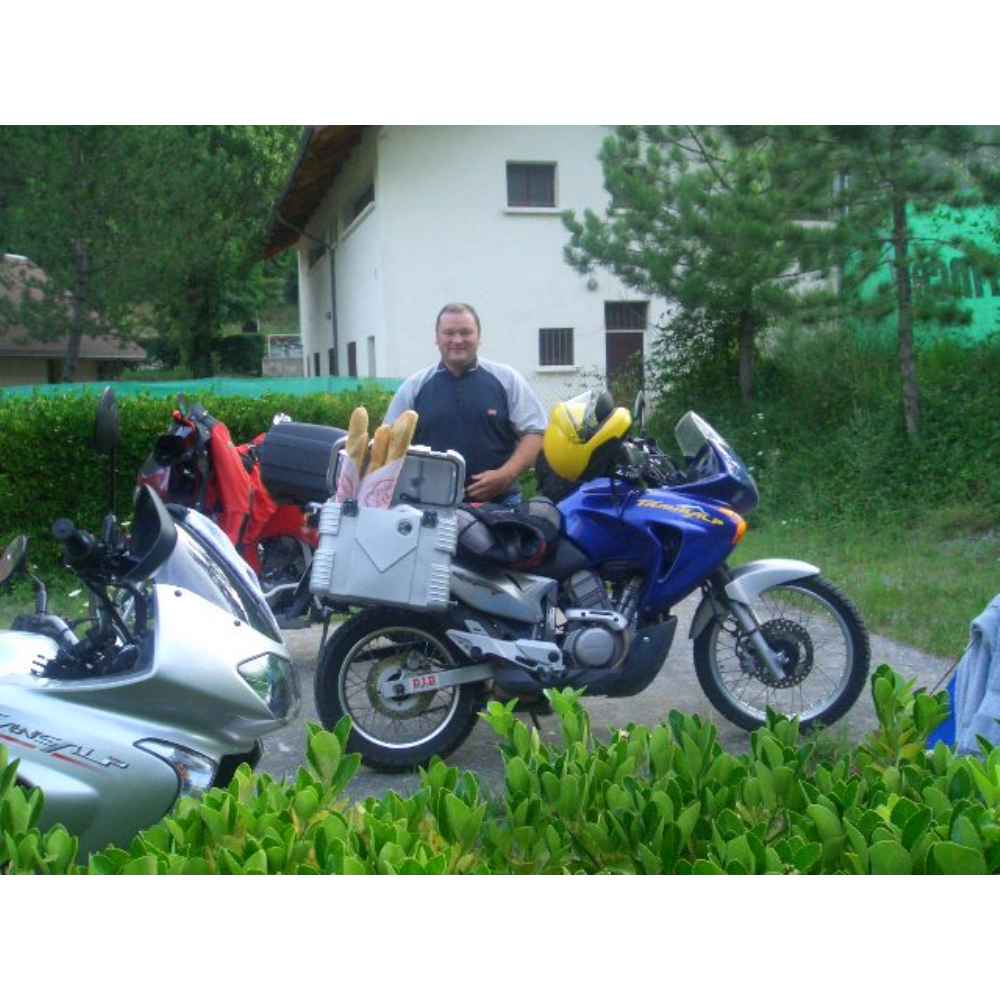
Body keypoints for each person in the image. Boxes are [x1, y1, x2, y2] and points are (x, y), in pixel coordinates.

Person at [383, 302, 547, 507]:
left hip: (499, 504)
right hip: (428, 507)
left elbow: (535, 433)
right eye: (449, 333)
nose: (457, 340)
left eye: (466, 332)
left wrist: (506, 475)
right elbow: (388, 442)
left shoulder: (507, 380)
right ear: (437, 338)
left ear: (478, 337)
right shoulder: (414, 387)